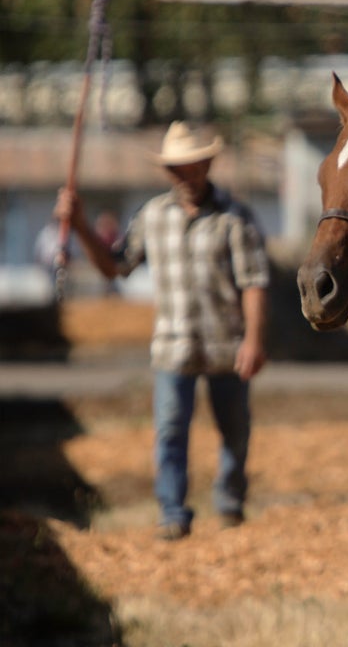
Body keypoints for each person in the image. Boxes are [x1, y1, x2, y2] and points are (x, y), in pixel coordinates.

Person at [55, 121, 270, 541]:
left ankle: (229, 502)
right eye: (176, 169)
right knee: (170, 430)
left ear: (207, 164)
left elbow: (254, 282)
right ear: (167, 173)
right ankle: (172, 511)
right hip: (173, 345)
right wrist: (80, 226)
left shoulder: (235, 217)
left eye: (192, 167)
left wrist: (255, 340)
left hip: (226, 343)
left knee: (235, 429)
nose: (185, 176)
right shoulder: (152, 217)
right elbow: (115, 266)